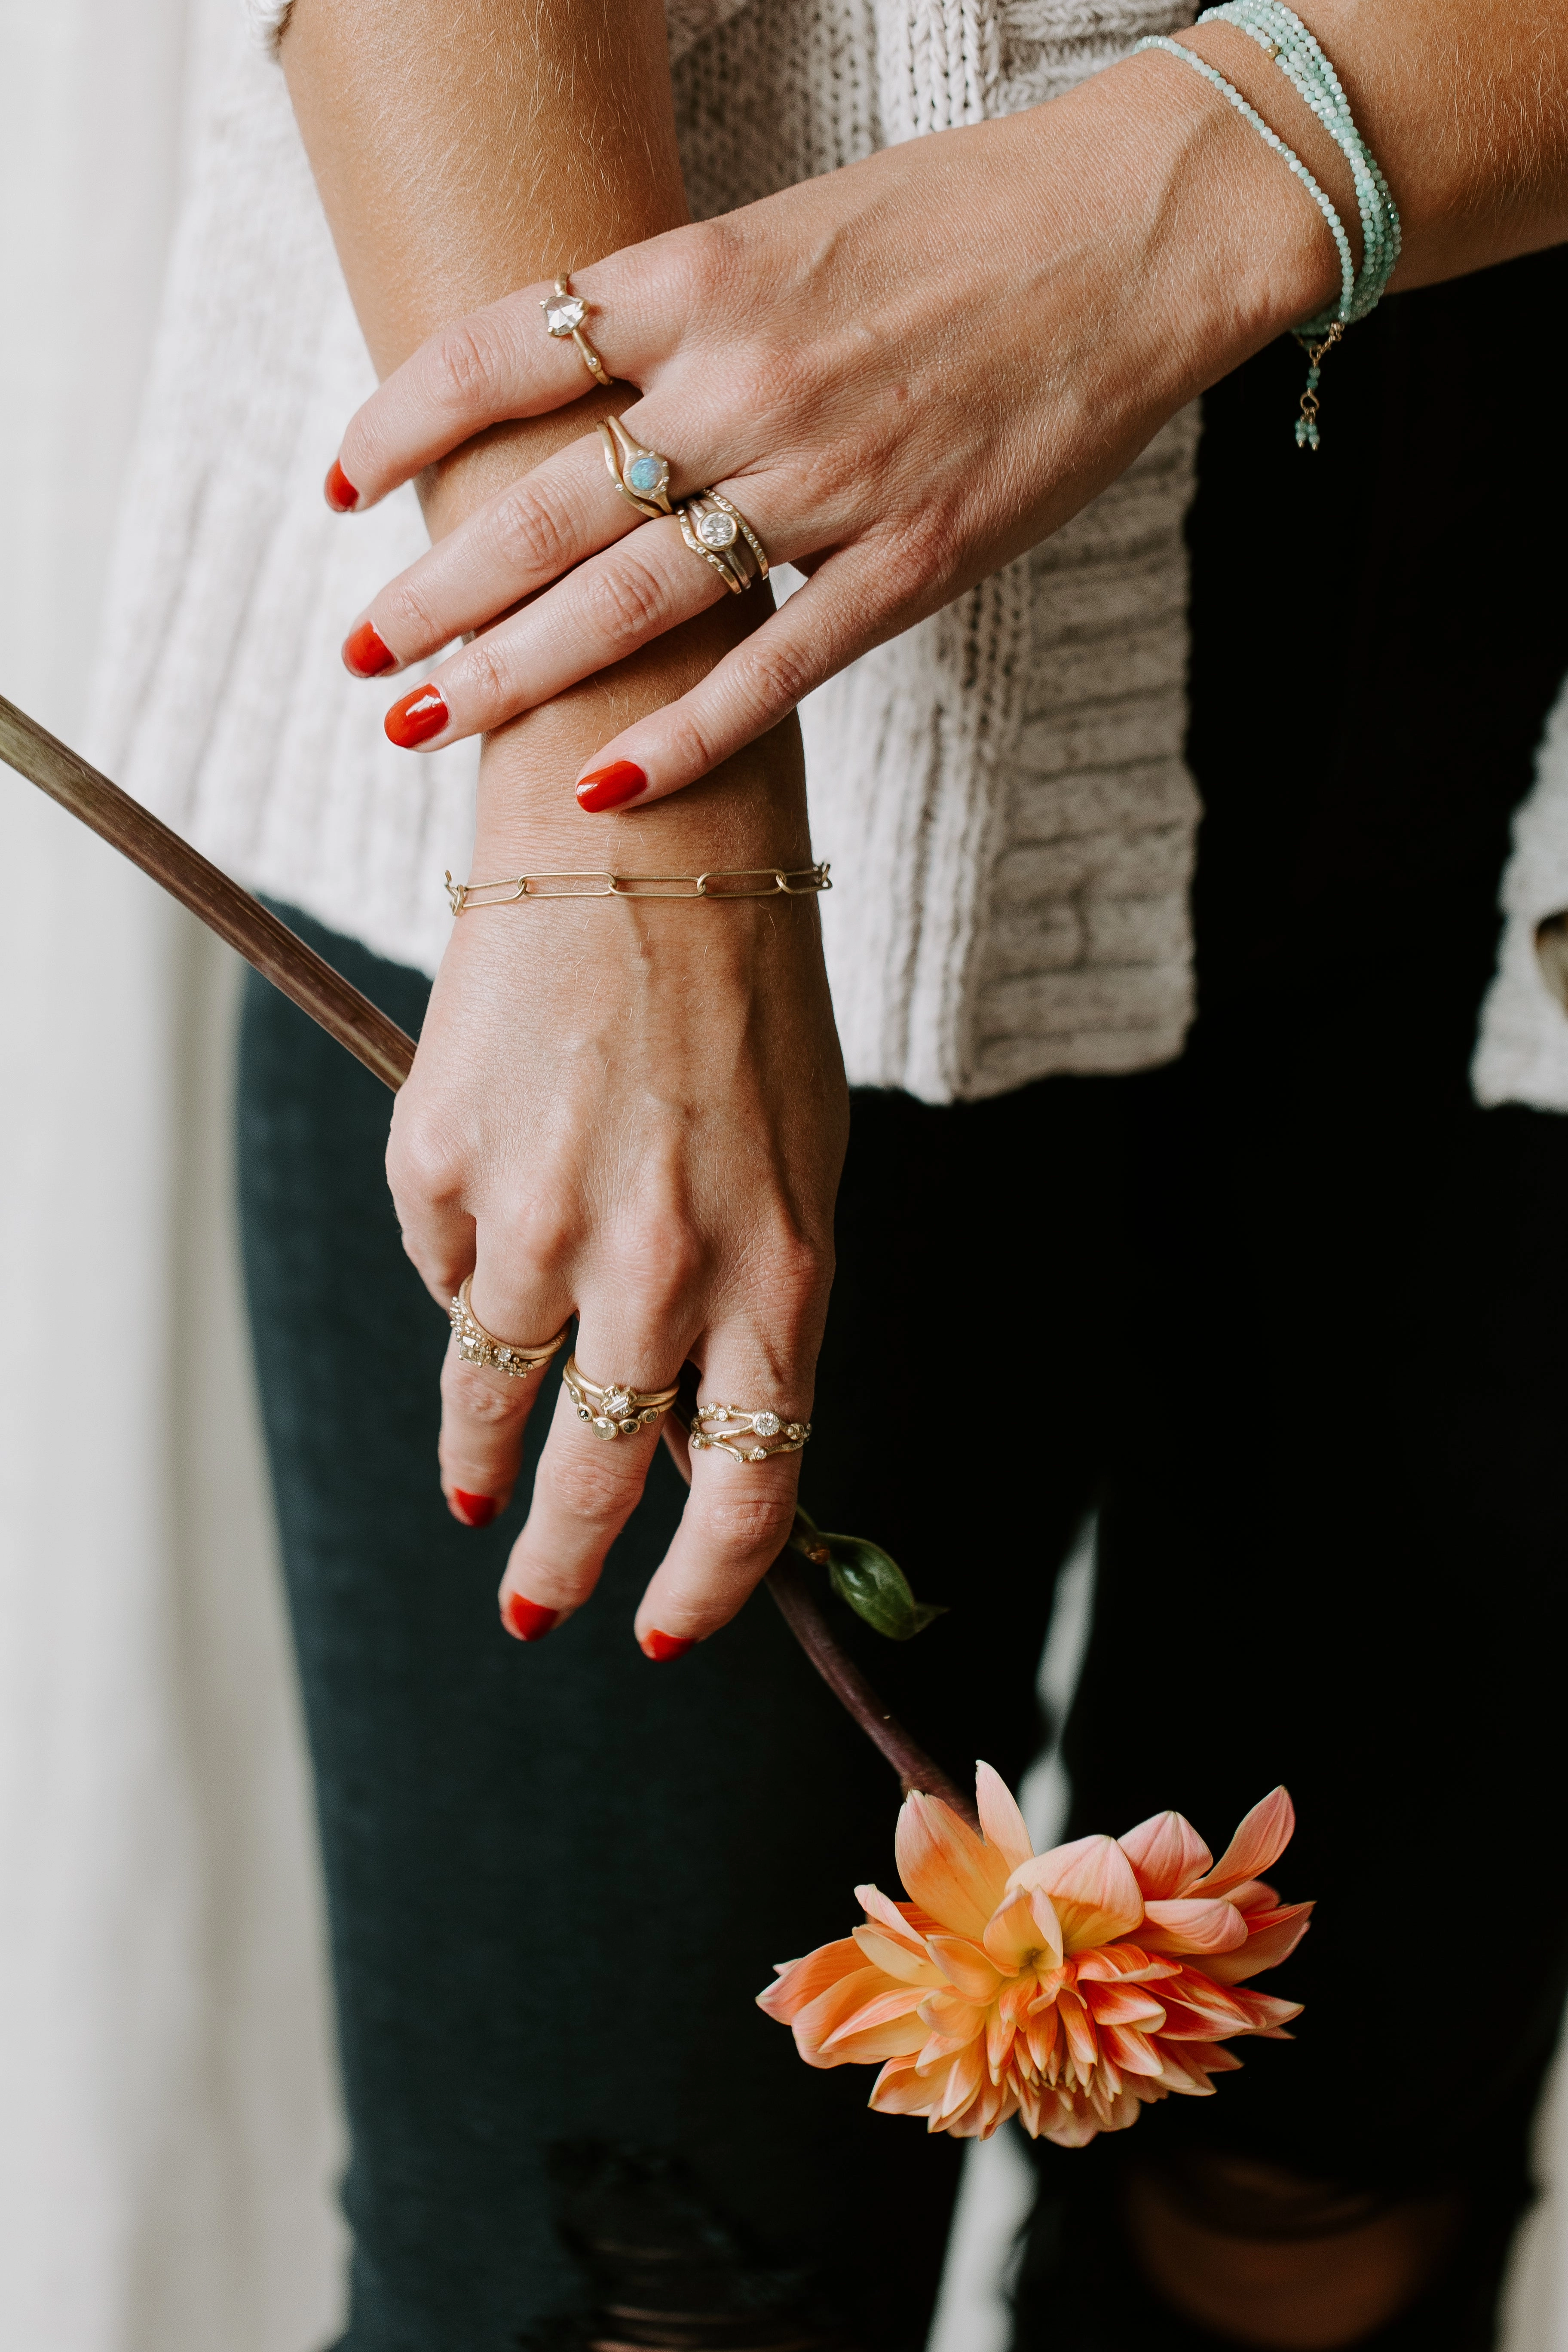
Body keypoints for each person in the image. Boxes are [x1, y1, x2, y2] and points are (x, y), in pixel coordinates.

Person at [104, 0, 1568, 2344]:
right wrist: (625, 810)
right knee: (635, 2283)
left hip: (1518, 758)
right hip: (679, 614)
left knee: (1328, 2203)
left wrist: (1232, 170)